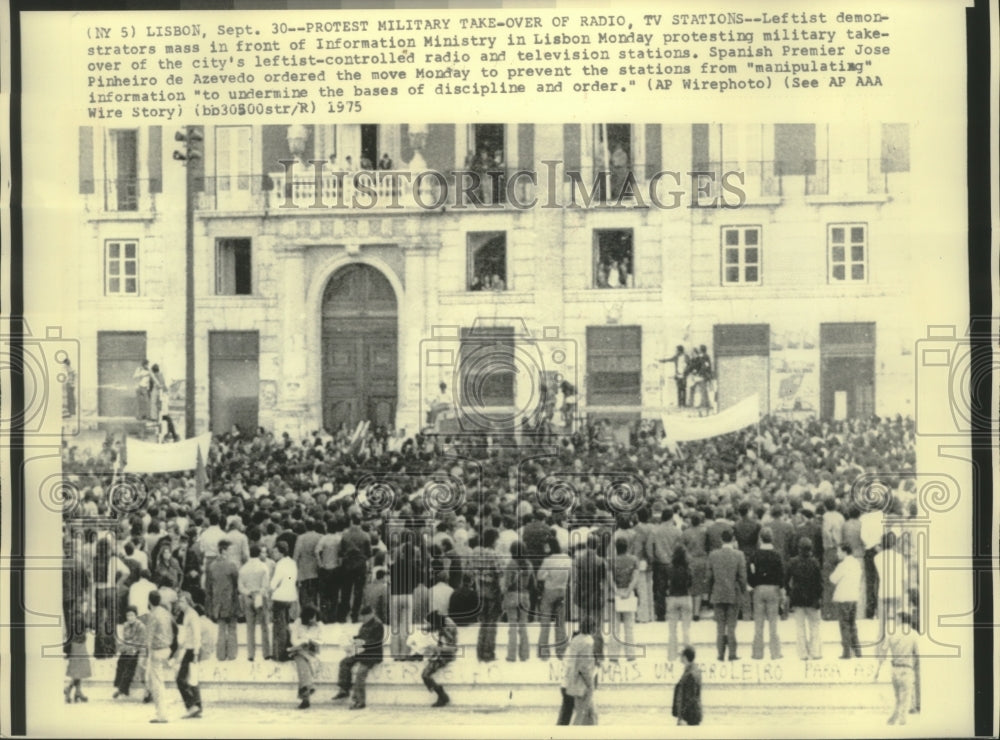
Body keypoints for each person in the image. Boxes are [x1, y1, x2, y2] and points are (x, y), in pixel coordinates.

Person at [706, 528, 747, 661]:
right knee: (731, 626)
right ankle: (732, 654)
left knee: (720, 627)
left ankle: (720, 654)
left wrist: (710, 592)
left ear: (721, 540)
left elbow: (709, 577)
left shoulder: (713, 555)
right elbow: (742, 577)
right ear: (733, 539)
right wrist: (743, 590)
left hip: (718, 592)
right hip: (733, 593)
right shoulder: (739, 555)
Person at [334, 603, 385, 710]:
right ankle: (344, 689)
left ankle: (360, 701)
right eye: (362, 616)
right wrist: (351, 640)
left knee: (360, 673)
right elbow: (361, 637)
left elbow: (375, 642)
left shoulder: (378, 625)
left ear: (370, 614)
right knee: (344, 662)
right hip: (362, 652)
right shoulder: (364, 624)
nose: (363, 619)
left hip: (372, 654)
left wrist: (360, 643)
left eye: (365, 616)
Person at [876, 611, 919, 725]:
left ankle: (893, 719)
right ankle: (902, 720)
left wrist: (877, 670)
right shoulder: (914, 634)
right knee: (906, 696)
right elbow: (917, 653)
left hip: (895, 668)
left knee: (898, 697)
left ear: (900, 620)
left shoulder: (891, 634)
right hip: (907, 668)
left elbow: (883, 652)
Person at [748, 528, 785, 660]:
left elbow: (750, 572)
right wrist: (781, 589)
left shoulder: (755, 555)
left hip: (759, 589)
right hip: (773, 589)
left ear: (760, 539)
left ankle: (757, 653)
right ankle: (775, 652)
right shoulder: (777, 555)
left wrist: (753, 585)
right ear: (772, 538)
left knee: (758, 624)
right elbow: (781, 574)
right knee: (773, 623)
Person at [786, 537, 823, 660]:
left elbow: (786, 580)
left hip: (797, 598)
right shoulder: (815, 562)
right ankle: (815, 652)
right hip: (812, 599)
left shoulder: (793, 562)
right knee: (814, 626)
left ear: (799, 549)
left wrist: (789, 592)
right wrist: (819, 597)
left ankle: (803, 653)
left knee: (800, 627)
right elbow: (819, 583)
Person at [557, 619, 597, 726]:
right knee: (584, 714)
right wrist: (590, 684)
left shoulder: (575, 640)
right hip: (581, 683)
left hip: (568, 681)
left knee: (571, 714)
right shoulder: (588, 642)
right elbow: (584, 667)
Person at [205, 539, 240, 661]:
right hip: (231, 601)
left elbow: (208, 586)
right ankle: (232, 654)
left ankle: (220, 655)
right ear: (224, 550)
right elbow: (236, 584)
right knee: (232, 629)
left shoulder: (212, 566)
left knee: (221, 629)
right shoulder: (231, 565)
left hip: (217, 603)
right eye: (229, 550)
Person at [537, 537, 571, 659]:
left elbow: (540, 576)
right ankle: (561, 651)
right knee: (560, 623)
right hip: (562, 590)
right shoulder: (567, 558)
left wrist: (548, 575)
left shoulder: (548, 560)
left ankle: (544, 652)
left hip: (549, 591)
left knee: (545, 622)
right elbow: (571, 574)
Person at [473, 528, 503, 662]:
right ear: (493, 540)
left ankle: (480, 650)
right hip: (491, 589)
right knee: (492, 622)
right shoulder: (493, 554)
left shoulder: (476, 552)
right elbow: (499, 572)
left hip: (480, 588)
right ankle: (488, 652)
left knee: (483, 621)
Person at [501, 540, 534, 662]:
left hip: (512, 595)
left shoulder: (511, 564)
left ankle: (511, 655)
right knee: (523, 626)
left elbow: (507, 583)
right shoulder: (529, 564)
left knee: (513, 627)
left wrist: (503, 595)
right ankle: (524, 654)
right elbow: (533, 583)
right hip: (525, 595)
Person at [238, 544, 272, 661]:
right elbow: (265, 585)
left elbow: (240, 586)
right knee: (264, 626)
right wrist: (259, 593)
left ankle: (251, 654)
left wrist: (248, 593)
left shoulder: (243, 568)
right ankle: (266, 653)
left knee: (250, 627)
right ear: (259, 554)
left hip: (248, 597)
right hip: (260, 596)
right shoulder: (263, 567)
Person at [172, 593, 203, 719]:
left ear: (189, 602)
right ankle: (197, 707)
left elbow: (197, 635)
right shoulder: (187, 614)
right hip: (189, 649)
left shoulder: (192, 615)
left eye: (182, 602)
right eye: (179, 602)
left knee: (181, 679)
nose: (180, 604)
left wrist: (196, 653)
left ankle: (192, 706)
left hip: (193, 650)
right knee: (192, 679)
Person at [145, 590, 174, 723]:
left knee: (157, 684)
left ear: (149, 601)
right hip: (167, 648)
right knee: (160, 682)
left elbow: (149, 637)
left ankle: (161, 714)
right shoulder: (165, 613)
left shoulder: (153, 615)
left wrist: (146, 655)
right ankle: (163, 712)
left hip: (156, 650)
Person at [830, 543, 863, 658]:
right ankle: (857, 650)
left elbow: (833, 579)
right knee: (852, 624)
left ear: (844, 552)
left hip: (843, 597)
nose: (837, 554)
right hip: (854, 596)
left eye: (839, 551)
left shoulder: (843, 565)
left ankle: (846, 652)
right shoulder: (856, 563)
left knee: (844, 625)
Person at [420, 610, 458, 707]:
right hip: (440, 653)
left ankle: (442, 696)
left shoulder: (448, 629)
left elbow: (453, 648)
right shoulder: (443, 622)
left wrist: (436, 649)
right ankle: (441, 695)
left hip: (446, 655)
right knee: (425, 674)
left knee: (425, 675)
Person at [611, 537, 640, 661]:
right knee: (629, 626)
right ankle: (630, 654)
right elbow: (635, 577)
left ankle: (613, 655)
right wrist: (628, 591)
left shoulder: (611, 560)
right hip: (629, 593)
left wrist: (616, 591)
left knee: (615, 627)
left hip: (616, 593)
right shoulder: (634, 560)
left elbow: (610, 579)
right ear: (627, 547)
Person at [289, 605, 322, 709]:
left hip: (311, 651)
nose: (314, 620)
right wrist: (303, 641)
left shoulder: (319, 625)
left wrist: (312, 642)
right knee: (302, 661)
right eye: (312, 618)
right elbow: (293, 640)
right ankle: (307, 692)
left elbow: (321, 640)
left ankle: (305, 695)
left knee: (303, 664)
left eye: (315, 617)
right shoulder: (298, 623)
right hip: (299, 650)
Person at [270, 541, 298, 661]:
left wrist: (269, 589)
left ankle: (279, 654)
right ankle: (288, 650)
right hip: (290, 595)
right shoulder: (292, 563)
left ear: (281, 552)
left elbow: (274, 582)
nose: (273, 554)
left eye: (275, 552)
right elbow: (292, 578)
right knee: (286, 625)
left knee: (278, 627)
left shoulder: (280, 564)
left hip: (280, 597)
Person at [666, 544, 693, 662]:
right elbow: (690, 583)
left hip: (673, 598)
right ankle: (688, 656)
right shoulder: (688, 569)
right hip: (685, 597)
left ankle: (672, 656)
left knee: (672, 631)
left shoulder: (670, 568)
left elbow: (666, 582)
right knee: (686, 629)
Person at [113, 605, 146, 699]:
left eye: (132, 615)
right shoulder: (126, 625)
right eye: (128, 615)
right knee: (120, 663)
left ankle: (122, 689)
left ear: (136, 616)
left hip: (138, 650)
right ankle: (119, 686)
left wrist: (131, 647)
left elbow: (140, 641)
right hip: (128, 649)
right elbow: (125, 639)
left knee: (130, 665)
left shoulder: (141, 626)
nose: (130, 617)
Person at [671, 645, 703, 726]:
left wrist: (684, 718)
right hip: (689, 716)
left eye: (681, 655)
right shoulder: (691, 671)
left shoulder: (691, 674)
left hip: (689, 718)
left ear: (685, 657)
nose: (680, 657)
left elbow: (690, 699)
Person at [64, 628, 91, 704]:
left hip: (77, 641)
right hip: (77, 642)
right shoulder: (77, 620)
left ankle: (78, 692)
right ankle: (69, 689)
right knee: (80, 668)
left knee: (79, 669)